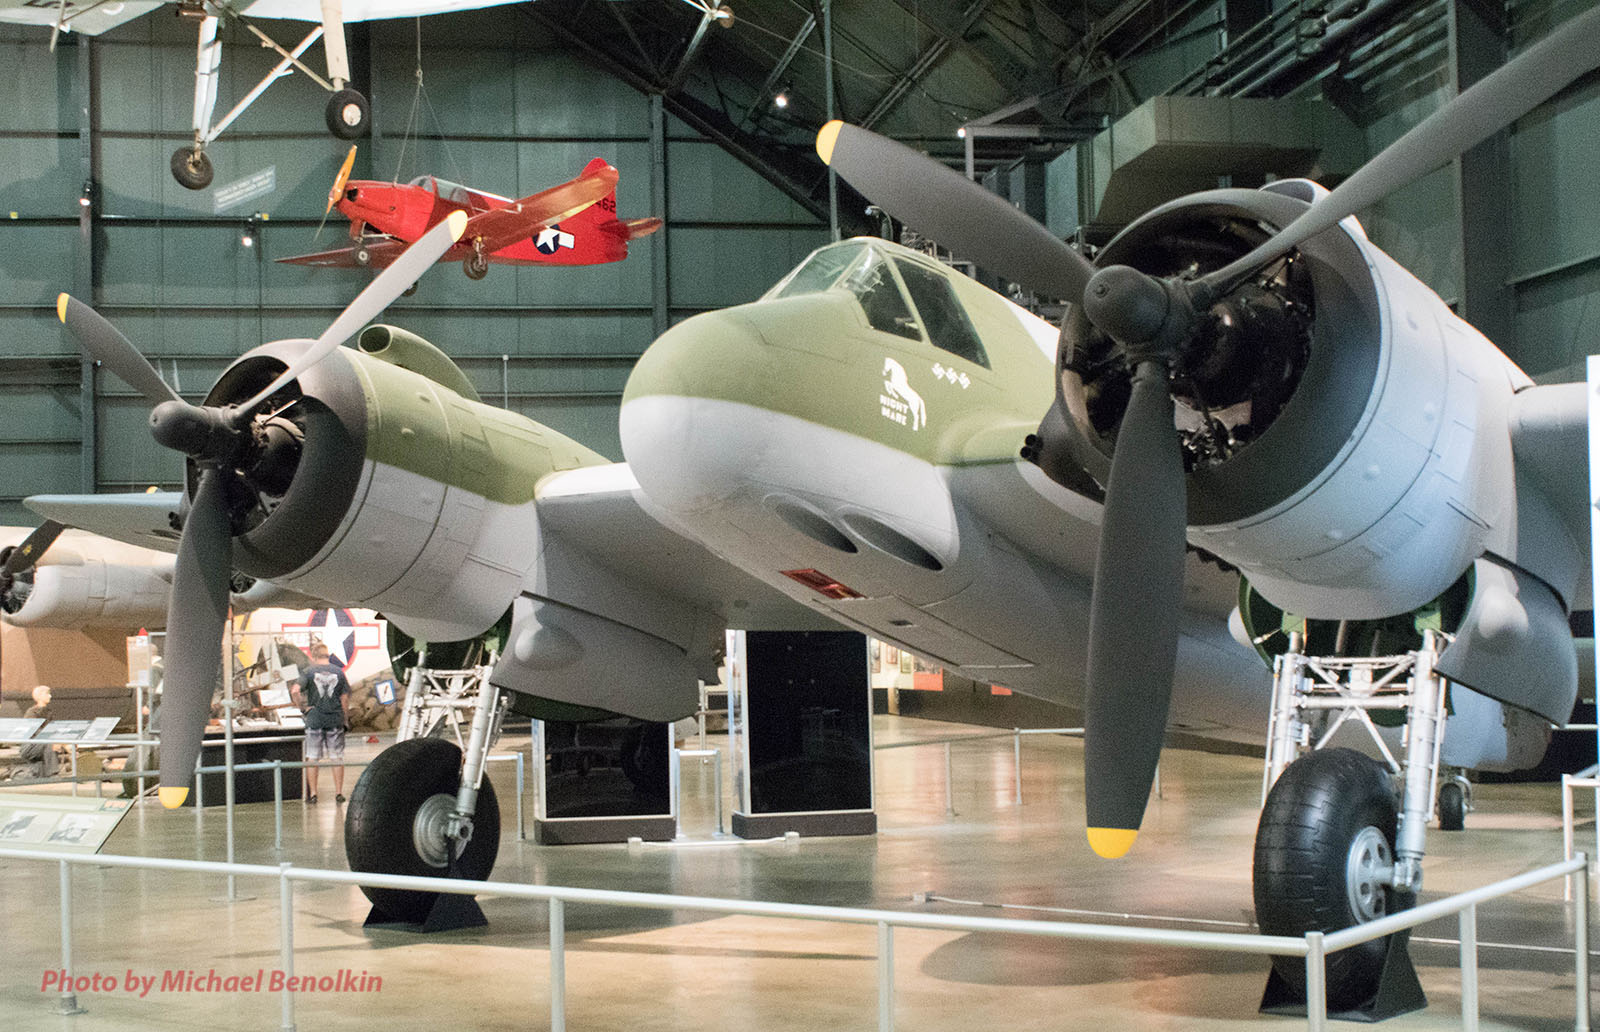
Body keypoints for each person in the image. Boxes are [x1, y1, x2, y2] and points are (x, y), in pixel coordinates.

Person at [292, 642, 349, 804]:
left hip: (315, 719)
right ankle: (338, 793)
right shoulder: (339, 672)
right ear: (328, 655)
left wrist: (303, 708)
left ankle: (314, 794)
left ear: (313, 656)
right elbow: (344, 698)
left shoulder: (308, 672)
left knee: (312, 758)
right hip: (335, 719)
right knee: (337, 757)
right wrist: (345, 719)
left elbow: (295, 690)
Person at [15, 685, 59, 779]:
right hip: (29, 746)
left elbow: (52, 730)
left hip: (42, 744)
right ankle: (53, 774)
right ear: (39, 696)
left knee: (38, 774)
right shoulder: (31, 713)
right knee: (49, 744)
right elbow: (36, 732)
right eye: (47, 694)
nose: (50, 696)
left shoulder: (48, 712)